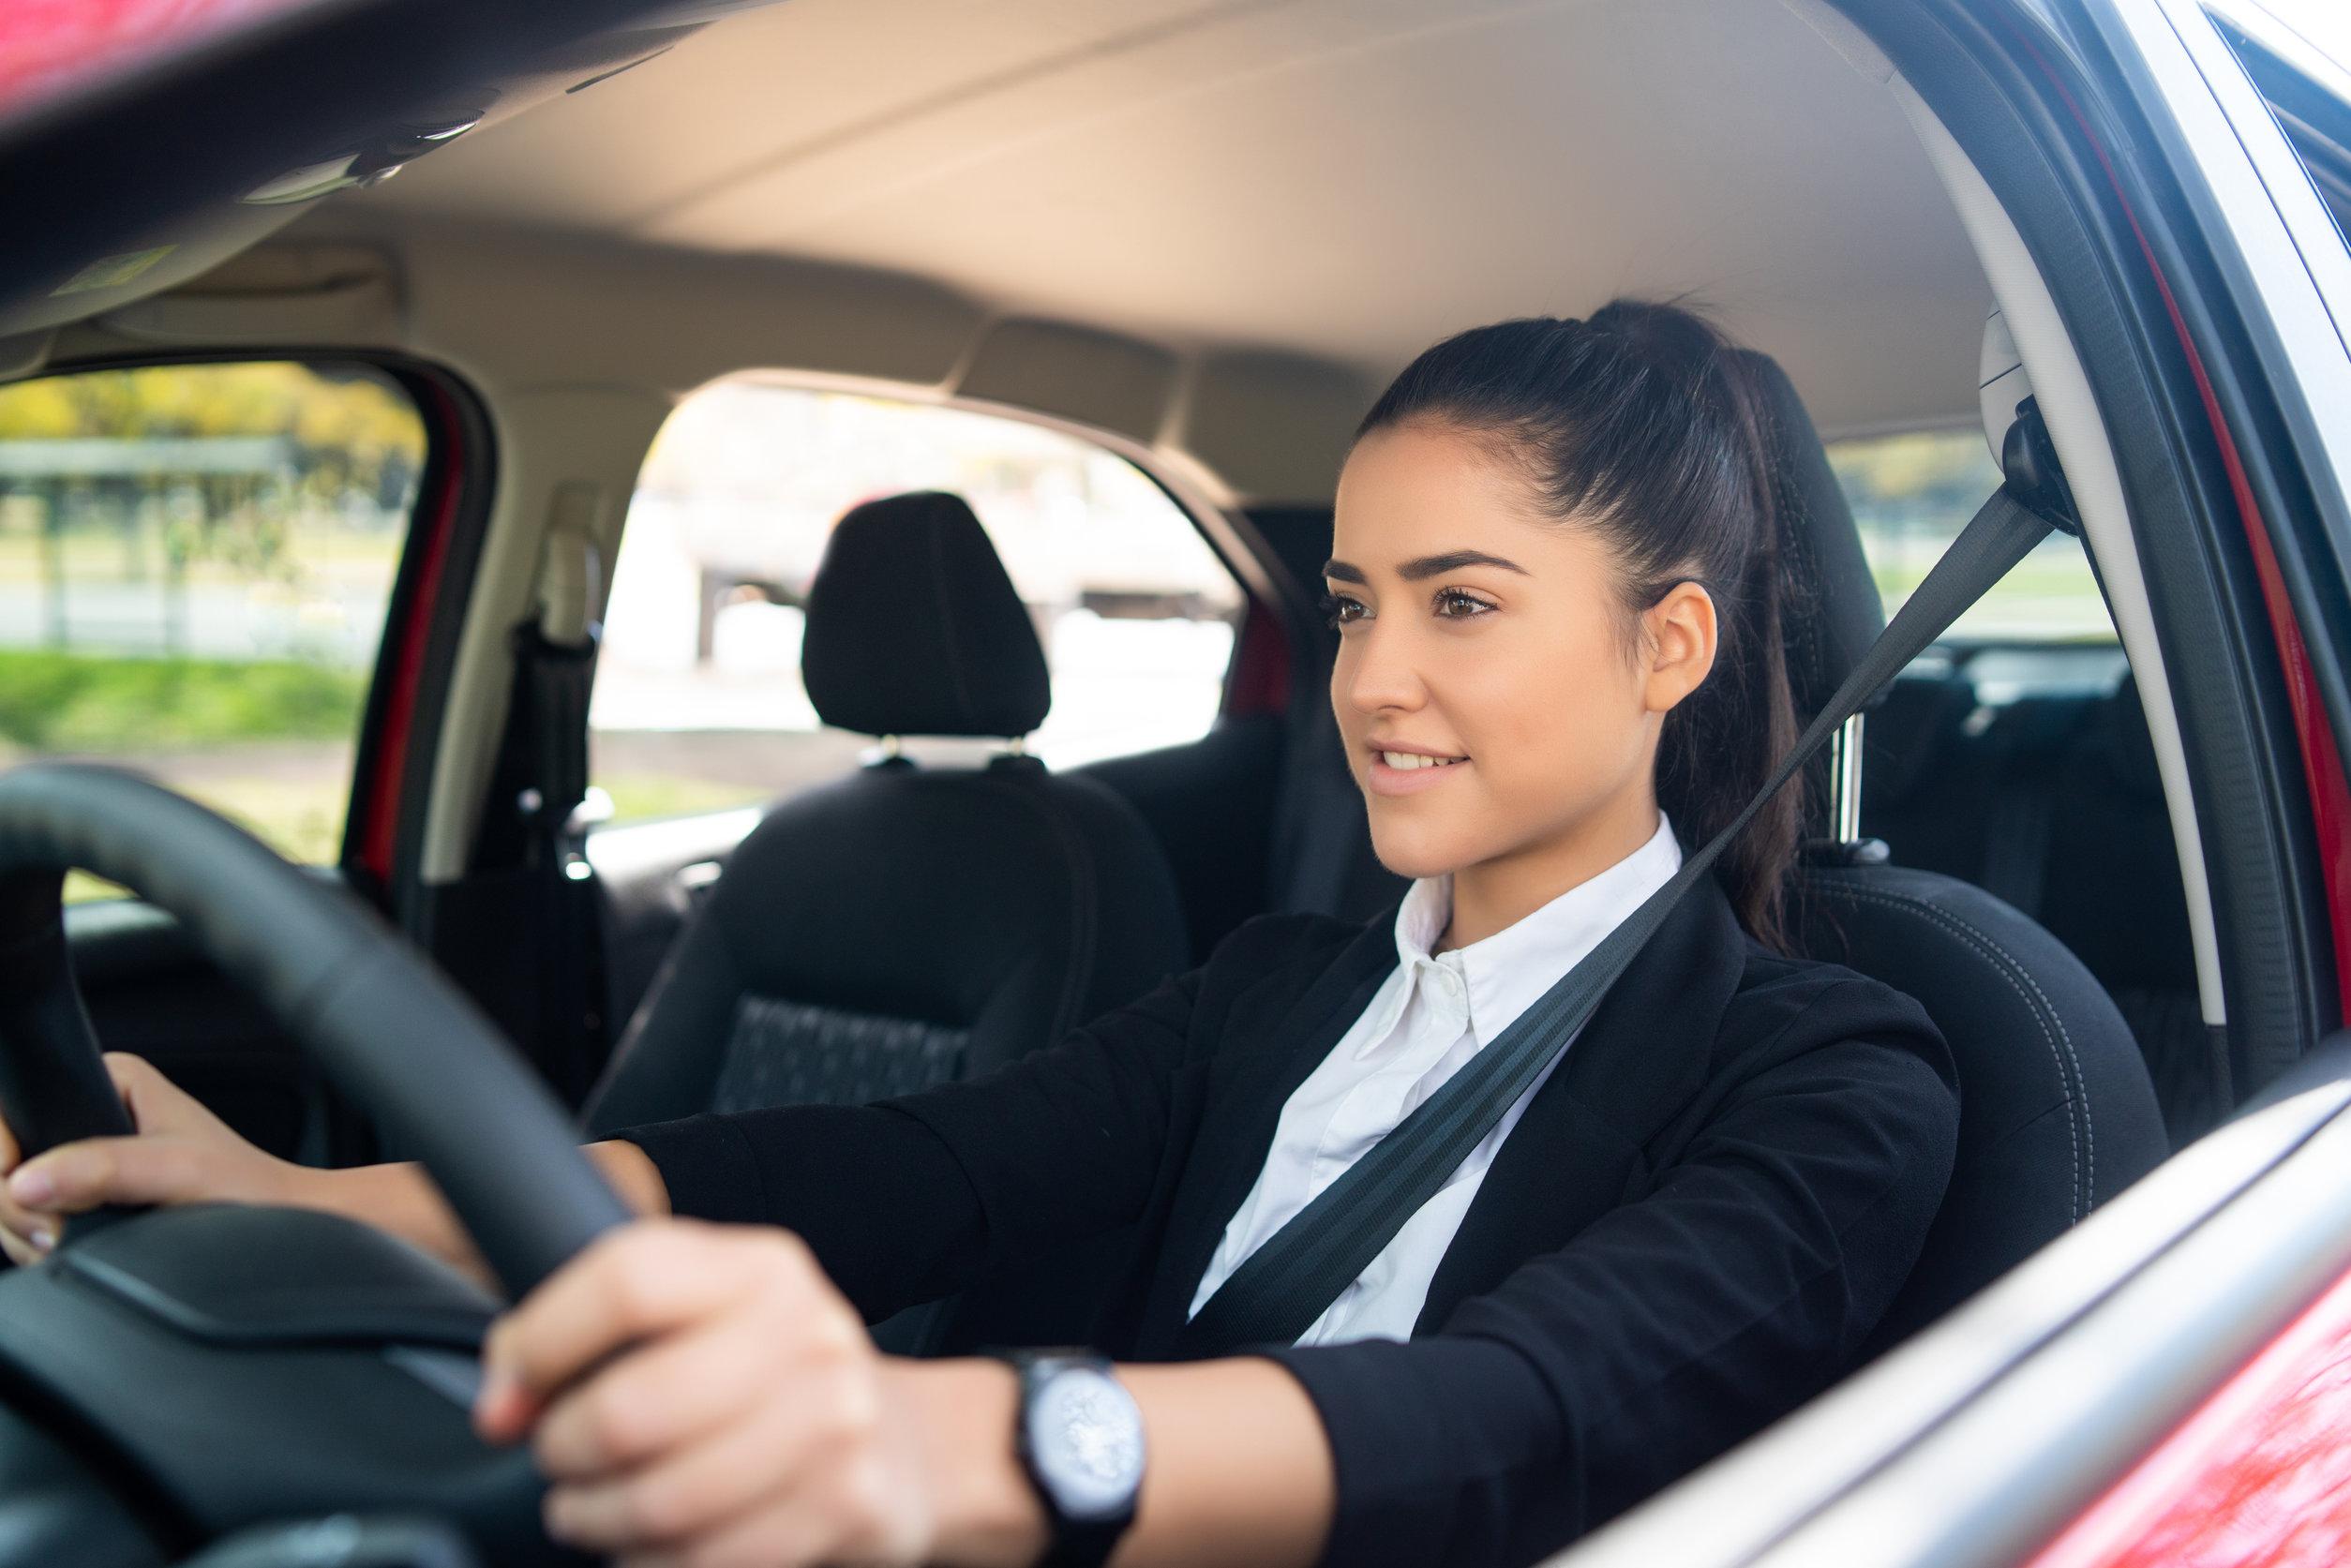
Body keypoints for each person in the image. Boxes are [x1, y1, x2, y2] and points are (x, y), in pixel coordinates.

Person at [0, 301, 1958, 1568]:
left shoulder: (1834, 1077)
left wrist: (948, 1447)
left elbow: (1524, 1415)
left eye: (1463, 604)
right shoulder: (1278, 990)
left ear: (1668, 647)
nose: (1372, 679)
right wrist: (290, 1201)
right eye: (1356, 604)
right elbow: (880, 1175)